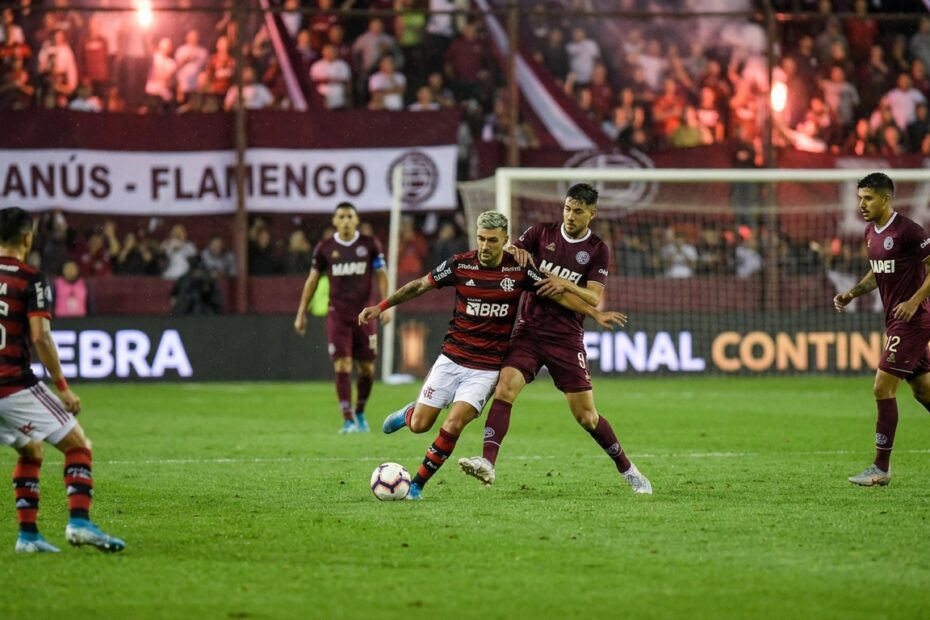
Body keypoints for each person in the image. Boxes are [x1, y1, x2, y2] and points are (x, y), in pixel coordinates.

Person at [359, 210, 625, 500]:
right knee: (421, 425)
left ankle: (417, 485)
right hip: (451, 357)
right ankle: (410, 413)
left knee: (454, 424)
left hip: (486, 368)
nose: (485, 246)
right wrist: (381, 307)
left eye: (492, 241)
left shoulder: (519, 270)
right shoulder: (460, 265)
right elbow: (418, 286)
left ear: (505, 241)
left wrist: (595, 313)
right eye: (481, 239)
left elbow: (557, 294)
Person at [458, 184, 653, 495]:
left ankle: (627, 469)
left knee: (587, 417)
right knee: (505, 387)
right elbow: (511, 255)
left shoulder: (597, 249)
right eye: (567, 208)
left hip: (566, 338)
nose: (570, 216)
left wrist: (565, 284)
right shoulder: (541, 233)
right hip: (529, 331)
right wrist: (513, 250)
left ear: (592, 213)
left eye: (578, 211)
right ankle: (488, 462)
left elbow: (592, 295)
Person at [0, 207, 124, 553]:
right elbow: (40, 337)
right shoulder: (30, 278)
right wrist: (63, 388)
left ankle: (28, 537)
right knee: (78, 445)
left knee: (30, 448)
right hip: (11, 383)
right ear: (28, 237)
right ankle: (80, 524)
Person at [834, 172, 930, 487]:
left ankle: (880, 468)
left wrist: (915, 301)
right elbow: (877, 273)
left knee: (881, 388)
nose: (861, 204)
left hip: (913, 321)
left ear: (886, 198)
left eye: (868, 198)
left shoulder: (909, 231)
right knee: (923, 389)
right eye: (859, 198)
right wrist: (851, 293)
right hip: (895, 321)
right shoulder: (870, 233)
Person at [295, 203, 390, 433]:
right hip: (337, 314)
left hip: (365, 314)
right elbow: (312, 280)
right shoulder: (325, 248)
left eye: (350, 216)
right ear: (335, 221)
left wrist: (385, 305)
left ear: (356, 220)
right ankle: (347, 419)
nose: (346, 220)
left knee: (367, 368)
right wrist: (301, 312)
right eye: (341, 216)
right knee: (343, 363)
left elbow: (381, 275)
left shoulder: (370, 244)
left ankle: (359, 412)